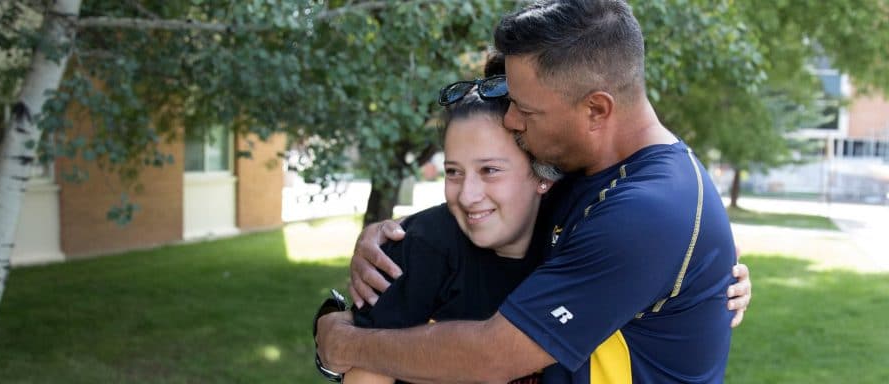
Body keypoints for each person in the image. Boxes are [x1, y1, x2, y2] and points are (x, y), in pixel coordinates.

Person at [317, 1, 750, 382]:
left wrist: (347, 343)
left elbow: (493, 356)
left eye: (525, 109)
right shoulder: (584, 171)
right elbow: (497, 203)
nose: (509, 121)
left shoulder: (650, 213)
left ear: (596, 109)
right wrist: (393, 235)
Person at [340, 53, 557, 384]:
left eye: (490, 170)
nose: (467, 195)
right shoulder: (421, 247)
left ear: (543, 174)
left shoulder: (573, 240)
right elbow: (364, 373)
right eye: (453, 172)